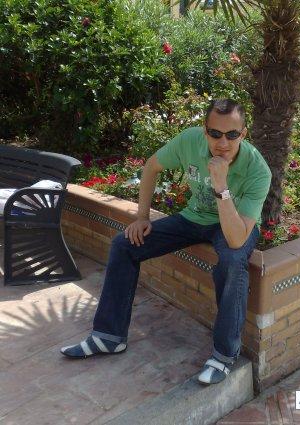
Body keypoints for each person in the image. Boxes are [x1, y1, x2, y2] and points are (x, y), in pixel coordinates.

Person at [61, 99, 272, 385]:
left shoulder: (257, 170)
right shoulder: (189, 141)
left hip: (235, 225)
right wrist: (142, 217)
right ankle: (109, 336)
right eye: (215, 133)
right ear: (205, 131)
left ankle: (224, 354)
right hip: (194, 217)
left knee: (233, 263)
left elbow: (236, 240)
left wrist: (221, 186)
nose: (223, 143)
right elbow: (151, 166)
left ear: (243, 134)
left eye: (232, 134)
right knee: (124, 244)